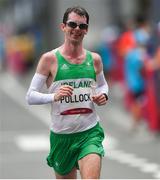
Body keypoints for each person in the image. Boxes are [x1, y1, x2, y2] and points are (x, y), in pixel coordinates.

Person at [26, 6, 109, 179]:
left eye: (82, 26)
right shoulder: (49, 59)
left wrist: (103, 95)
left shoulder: (94, 59)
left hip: (89, 132)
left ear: (86, 30)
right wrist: (54, 96)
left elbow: (103, 86)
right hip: (61, 137)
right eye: (72, 24)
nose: (77, 29)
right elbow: (31, 96)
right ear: (63, 27)